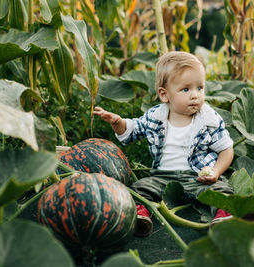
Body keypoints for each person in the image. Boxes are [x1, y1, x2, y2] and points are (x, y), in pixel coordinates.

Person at [93, 51, 234, 237]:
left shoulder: (209, 120)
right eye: (186, 89)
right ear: (164, 95)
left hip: (198, 177)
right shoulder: (155, 117)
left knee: (221, 189)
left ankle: (224, 216)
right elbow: (134, 130)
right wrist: (118, 122)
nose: (195, 95)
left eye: (200, 88)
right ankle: (141, 216)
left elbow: (226, 149)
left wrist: (216, 172)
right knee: (140, 189)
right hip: (162, 178)